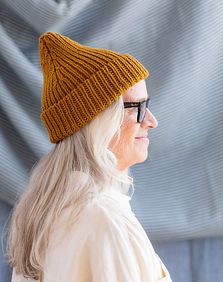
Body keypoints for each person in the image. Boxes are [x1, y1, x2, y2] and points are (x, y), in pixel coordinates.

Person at [7, 32, 172, 282]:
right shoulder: (105, 220)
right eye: (137, 108)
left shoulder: (41, 215)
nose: (151, 121)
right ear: (98, 122)